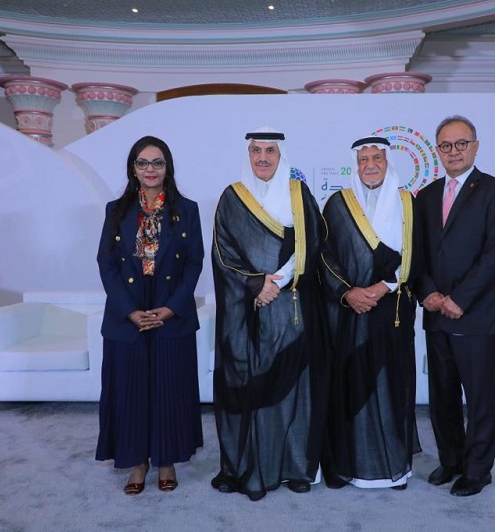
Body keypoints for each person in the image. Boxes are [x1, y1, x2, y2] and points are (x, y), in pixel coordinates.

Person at [210, 127, 325, 501]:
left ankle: (295, 467)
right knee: (256, 387)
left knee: (295, 387)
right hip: (250, 312)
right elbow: (223, 253)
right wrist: (256, 284)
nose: (262, 157)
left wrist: (280, 280)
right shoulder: (232, 197)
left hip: (291, 307)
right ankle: (250, 466)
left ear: (281, 155)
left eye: (270, 151)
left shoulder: (299, 194)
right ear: (248, 155)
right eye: (256, 150)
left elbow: (314, 241)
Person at [95, 135, 204, 495]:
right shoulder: (116, 209)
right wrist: (129, 311)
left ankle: (167, 460)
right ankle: (137, 462)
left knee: (169, 388)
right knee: (131, 390)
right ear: (133, 168)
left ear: (167, 167)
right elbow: (106, 263)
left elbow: (194, 262)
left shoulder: (187, 209)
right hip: (127, 309)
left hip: (170, 307)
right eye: (143, 163)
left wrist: (172, 308)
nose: (150, 169)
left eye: (157, 162)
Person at [414, 115, 495, 497]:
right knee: (442, 397)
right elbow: (419, 254)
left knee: (479, 398)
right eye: (445, 145)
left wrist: (460, 299)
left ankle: (477, 471)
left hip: (477, 315)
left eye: (460, 144)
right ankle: (451, 460)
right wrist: (428, 294)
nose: (453, 151)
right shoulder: (425, 196)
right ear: (437, 151)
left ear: (475, 146)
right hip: (436, 313)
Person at [320, 136, 421, 490]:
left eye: (377, 158)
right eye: (363, 160)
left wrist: (382, 288)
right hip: (350, 312)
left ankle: (393, 467)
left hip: (392, 310)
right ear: (356, 165)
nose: (370, 165)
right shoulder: (337, 203)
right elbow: (324, 256)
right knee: (350, 385)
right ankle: (349, 466)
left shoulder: (407, 203)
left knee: (391, 386)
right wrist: (348, 293)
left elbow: (416, 253)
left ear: (387, 162)